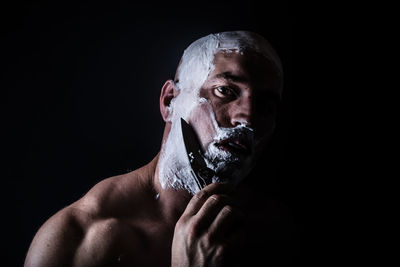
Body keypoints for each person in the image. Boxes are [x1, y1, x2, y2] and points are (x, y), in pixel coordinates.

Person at [24, 31, 291, 267]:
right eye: (225, 90)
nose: (248, 116)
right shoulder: (81, 239)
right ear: (169, 102)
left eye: (266, 105)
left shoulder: (276, 235)